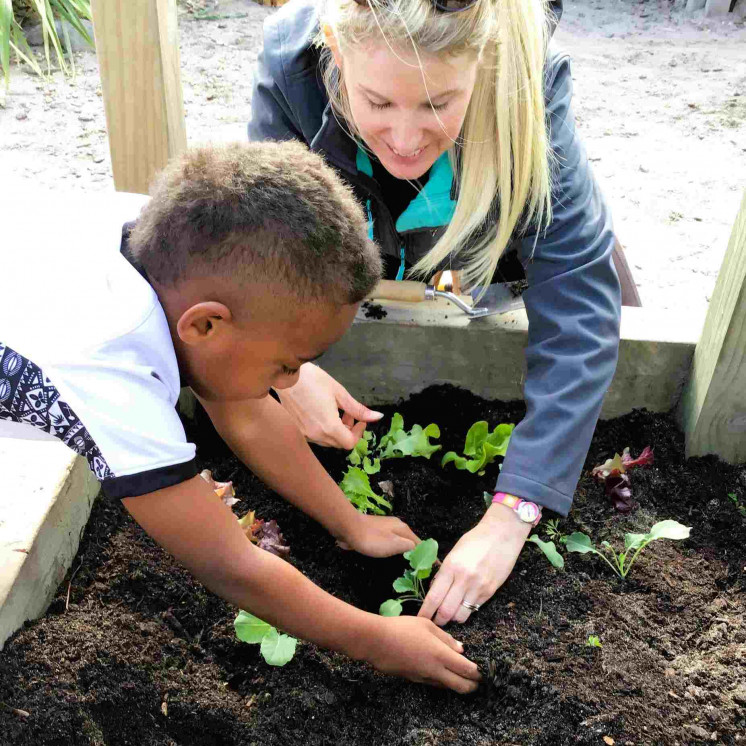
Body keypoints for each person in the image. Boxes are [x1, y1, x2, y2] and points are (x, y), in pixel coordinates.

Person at [0, 142, 481, 694]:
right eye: (286, 364)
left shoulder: (179, 250)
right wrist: (376, 639)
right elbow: (227, 563)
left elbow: (246, 413)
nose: (292, 385)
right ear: (206, 326)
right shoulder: (112, 365)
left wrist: (350, 523)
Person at [249, 0, 636, 625]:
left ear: (485, 66)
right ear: (334, 48)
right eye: (377, 103)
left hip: (490, 255)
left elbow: (576, 292)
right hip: (374, 254)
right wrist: (286, 373)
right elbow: (268, 248)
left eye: (437, 105)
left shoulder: (528, 80)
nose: (404, 139)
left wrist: (515, 513)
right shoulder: (292, 70)